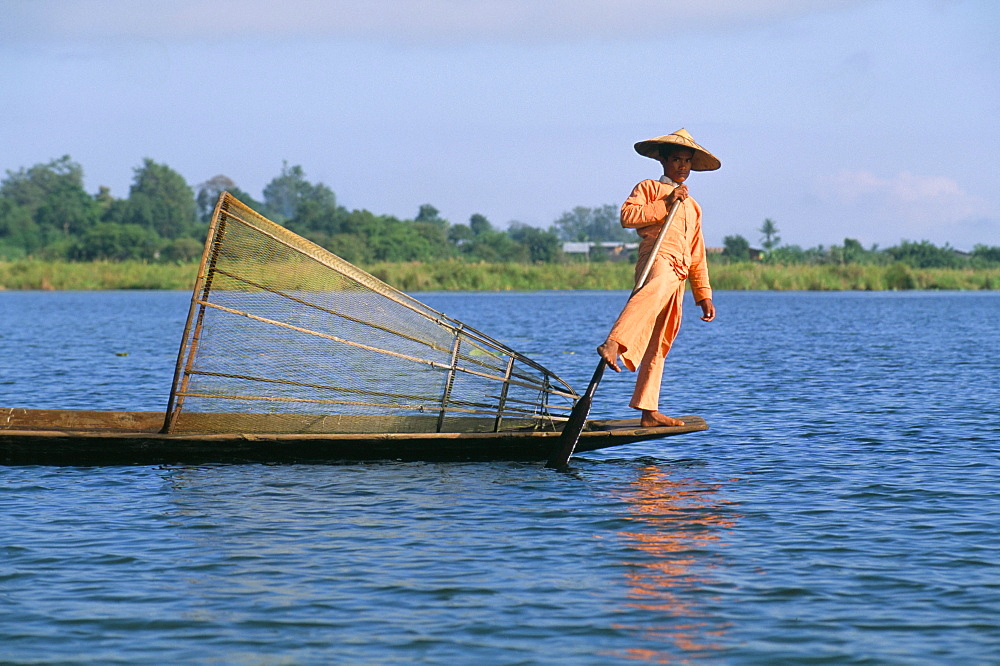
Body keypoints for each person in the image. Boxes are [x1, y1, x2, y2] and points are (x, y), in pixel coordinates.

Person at [596, 128, 720, 427]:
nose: (682, 166)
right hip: (657, 258)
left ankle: (648, 409)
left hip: (679, 270)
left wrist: (703, 294)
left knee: (662, 339)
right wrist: (666, 203)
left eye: (687, 162)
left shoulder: (692, 206)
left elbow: (696, 251)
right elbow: (629, 217)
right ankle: (614, 343)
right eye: (676, 159)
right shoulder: (650, 187)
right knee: (652, 292)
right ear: (663, 161)